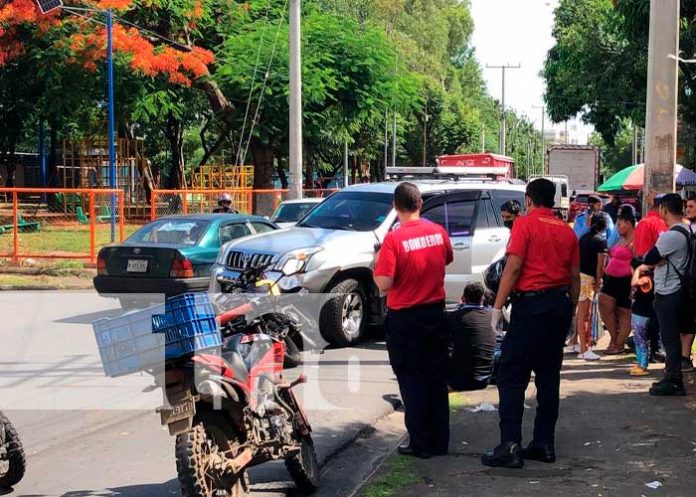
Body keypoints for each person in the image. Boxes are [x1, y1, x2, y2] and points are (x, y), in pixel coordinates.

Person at [482, 179, 580, 469]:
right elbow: (575, 277)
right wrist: (572, 312)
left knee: (512, 375)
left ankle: (509, 445)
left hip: (531, 306)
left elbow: (512, 268)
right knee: (549, 377)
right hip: (559, 305)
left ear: (528, 200)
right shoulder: (567, 232)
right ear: (552, 201)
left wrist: (497, 307)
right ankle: (544, 444)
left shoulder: (525, 225)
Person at [373, 182, 454, 458]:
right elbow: (447, 259)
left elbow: (384, 283)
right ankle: (440, 441)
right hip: (435, 313)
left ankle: (421, 443)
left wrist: (376, 263)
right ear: (420, 204)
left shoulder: (394, 239)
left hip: (405, 318)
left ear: (396, 207)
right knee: (436, 377)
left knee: (412, 380)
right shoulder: (438, 232)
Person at [639, 193, 690, 396]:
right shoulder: (685, 230)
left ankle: (674, 380)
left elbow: (649, 257)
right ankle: (671, 377)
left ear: (664, 209)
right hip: (677, 290)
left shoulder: (671, 235)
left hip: (669, 291)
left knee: (670, 338)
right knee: (671, 337)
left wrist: (654, 259)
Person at [634, 192, 668, 363]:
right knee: (657, 313)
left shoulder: (643, 223)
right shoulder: (664, 224)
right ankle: (658, 348)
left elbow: (638, 252)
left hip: (643, 272)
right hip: (659, 274)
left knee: (643, 314)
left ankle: (647, 353)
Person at [599, 205, 636, 355]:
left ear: (628, 223)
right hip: (612, 280)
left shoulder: (634, 240)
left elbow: (637, 262)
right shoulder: (621, 238)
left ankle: (618, 343)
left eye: (620, 224)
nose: (617, 227)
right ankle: (614, 339)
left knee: (624, 313)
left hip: (625, 281)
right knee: (605, 306)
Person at [448, 282, 497, 391]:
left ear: (463, 298)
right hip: (485, 380)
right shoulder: (492, 316)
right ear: (483, 298)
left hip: (459, 381)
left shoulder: (455, 317)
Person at [575, 214, 608, 360]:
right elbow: (600, 266)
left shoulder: (583, 238)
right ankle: (584, 348)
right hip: (588, 280)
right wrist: (599, 280)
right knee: (586, 315)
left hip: (578, 278)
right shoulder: (601, 241)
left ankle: (580, 344)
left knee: (580, 314)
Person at [629, 264, 655, 376]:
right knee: (637, 339)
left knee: (640, 339)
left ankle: (643, 365)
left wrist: (638, 269)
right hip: (640, 312)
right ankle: (639, 363)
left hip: (642, 313)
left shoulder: (646, 279)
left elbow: (633, 283)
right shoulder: (650, 278)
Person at [681, 196, 696, 373]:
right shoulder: (687, 228)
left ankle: (685, 356)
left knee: (691, 321)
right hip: (686, 282)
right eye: (687, 206)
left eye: (691, 206)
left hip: (692, 282)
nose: (688, 209)